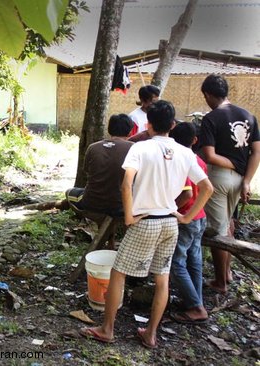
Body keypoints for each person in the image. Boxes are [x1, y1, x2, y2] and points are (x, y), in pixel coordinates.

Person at [79, 100, 213, 349]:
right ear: (172, 125)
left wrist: (129, 216)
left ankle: (107, 329)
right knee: (162, 279)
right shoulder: (185, 152)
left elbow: (126, 183)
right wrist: (184, 216)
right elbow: (207, 188)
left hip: (146, 222)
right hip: (170, 224)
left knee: (118, 273)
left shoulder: (140, 148)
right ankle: (150, 333)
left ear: (148, 124)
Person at [199, 74, 260, 293]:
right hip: (240, 179)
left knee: (218, 231)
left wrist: (233, 164)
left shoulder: (211, 118)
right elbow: (256, 152)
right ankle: (227, 272)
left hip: (220, 176)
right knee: (228, 223)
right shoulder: (248, 116)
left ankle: (220, 282)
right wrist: (247, 180)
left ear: (207, 94)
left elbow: (209, 155)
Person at [169, 122, 209, 323]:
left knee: (177, 262)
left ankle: (195, 306)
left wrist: (171, 209)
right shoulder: (199, 160)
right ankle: (195, 300)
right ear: (195, 140)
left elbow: (186, 195)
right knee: (194, 260)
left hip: (186, 217)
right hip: (200, 216)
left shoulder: (180, 159)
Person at [67, 114, 134, 217]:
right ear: (130, 132)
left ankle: (82, 219)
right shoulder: (134, 149)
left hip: (92, 203)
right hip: (122, 206)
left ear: (109, 130)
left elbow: (87, 172)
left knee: (69, 192)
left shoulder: (93, 147)